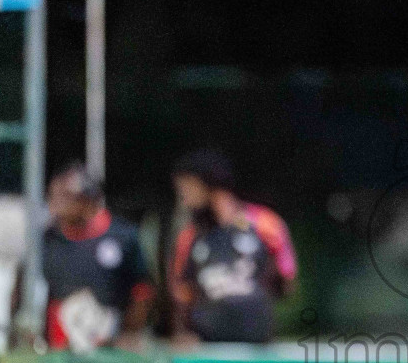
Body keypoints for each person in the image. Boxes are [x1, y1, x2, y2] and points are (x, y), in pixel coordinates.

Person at [169, 150, 296, 344]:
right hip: (207, 346)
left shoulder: (265, 223)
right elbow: (182, 293)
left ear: (209, 184)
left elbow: (286, 279)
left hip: (256, 345)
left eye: (186, 188)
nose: (183, 198)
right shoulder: (190, 235)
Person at [41, 164, 154, 352]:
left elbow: (143, 292)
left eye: (65, 197)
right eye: (52, 196)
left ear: (88, 200)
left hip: (109, 349)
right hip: (61, 352)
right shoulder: (48, 240)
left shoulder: (122, 236)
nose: (56, 205)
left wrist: (127, 333)